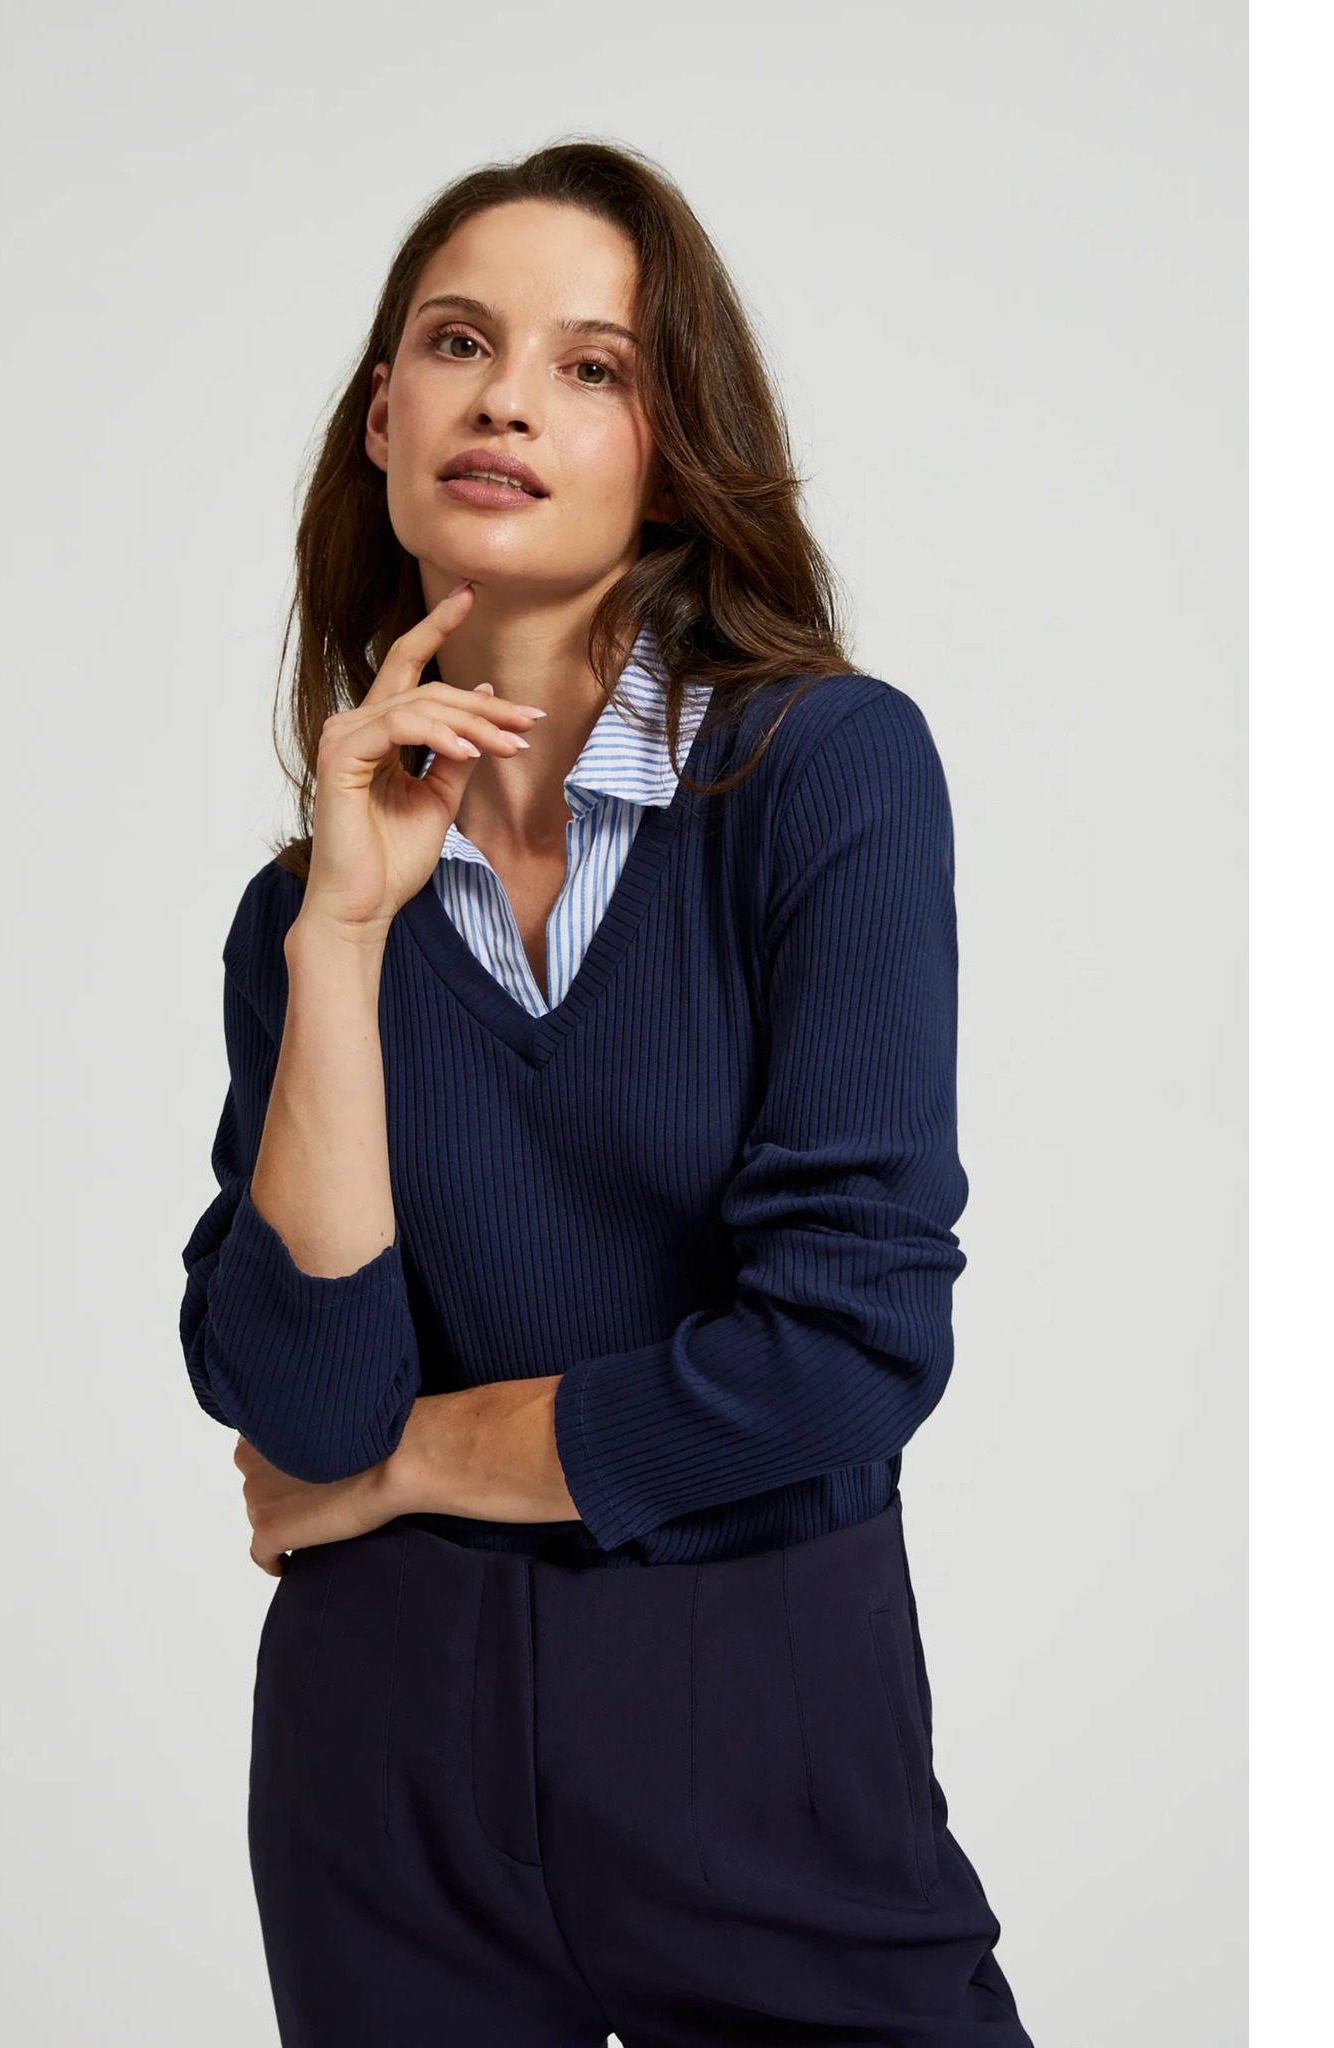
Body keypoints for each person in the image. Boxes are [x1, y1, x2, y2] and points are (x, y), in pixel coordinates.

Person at [180, 139, 1035, 2048]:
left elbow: (846, 1354)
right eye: (457, 344)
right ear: (384, 422)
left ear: (673, 448)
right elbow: (304, 1404)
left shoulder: (822, 774)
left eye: (591, 367)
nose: (505, 399)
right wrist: (342, 940)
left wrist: (410, 1466)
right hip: (381, 1756)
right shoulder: (304, 913)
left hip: (764, 1722)